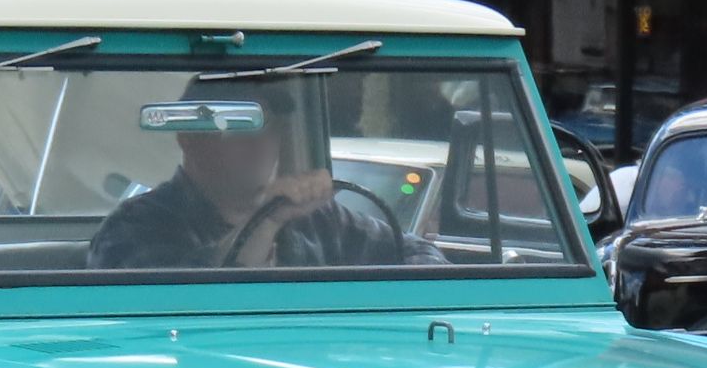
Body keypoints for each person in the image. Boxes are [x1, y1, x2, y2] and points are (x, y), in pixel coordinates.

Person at [88, 79, 443, 270]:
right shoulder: (135, 227)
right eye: (240, 127)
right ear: (189, 139)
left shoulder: (317, 219)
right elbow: (173, 311)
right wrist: (266, 223)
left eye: (269, 127)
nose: (261, 143)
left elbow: (417, 257)